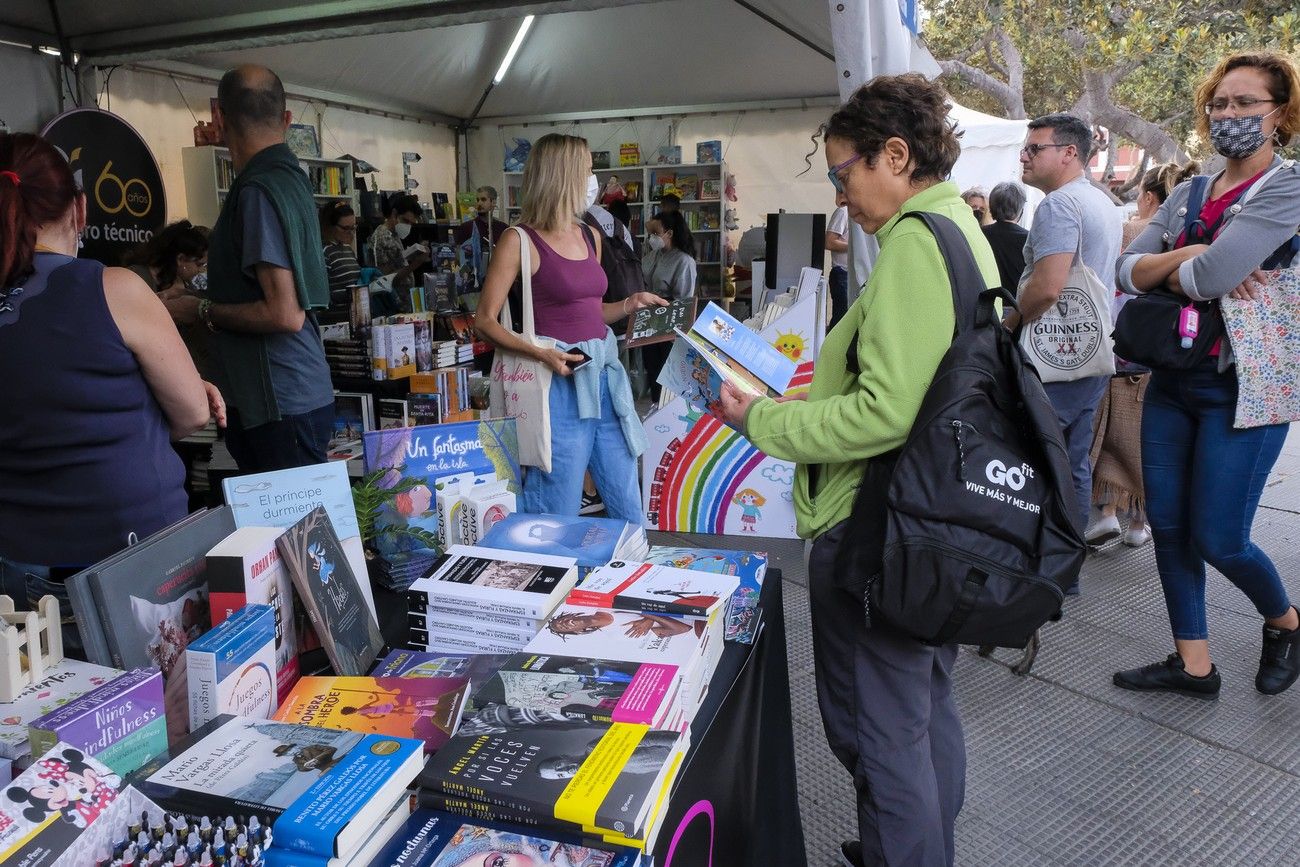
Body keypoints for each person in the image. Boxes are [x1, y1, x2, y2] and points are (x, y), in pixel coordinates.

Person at [718, 74, 999, 867]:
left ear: (896, 155)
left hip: (876, 525)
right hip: (932, 522)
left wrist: (761, 420)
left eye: (844, 174)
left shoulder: (913, 242)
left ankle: (903, 846)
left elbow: (888, 411)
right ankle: (919, 842)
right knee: (921, 710)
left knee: (879, 734)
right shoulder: (960, 229)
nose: (841, 198)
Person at [1112, 52, 1300, 698]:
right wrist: (1193, 253)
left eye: (1245, 104)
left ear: (1280, 114)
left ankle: (1286, 621)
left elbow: (1208, 277)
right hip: (1175, 377)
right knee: (1167, 523)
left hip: (1246, 388)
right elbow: (1122, 271)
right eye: (1220, 104)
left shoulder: (1288, 186)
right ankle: (1194, 664)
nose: (1228, 115)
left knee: (1219, 535)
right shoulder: (1192, 190)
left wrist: (1181, 260)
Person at [0, 132, 217, 647]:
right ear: (78, 208)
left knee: (53, 720)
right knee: (160, 715)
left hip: (18, 565)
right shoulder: (113, 286)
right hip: (132, 558)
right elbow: (190, 413)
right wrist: (159, 395)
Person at [473, 134, 666, 523]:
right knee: (555, 506)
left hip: (605, 379)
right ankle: (555, 579)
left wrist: (630, 304)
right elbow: (484, 320)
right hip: (555, 384)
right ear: (564, 175)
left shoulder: (589, 234)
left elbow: (592, 312)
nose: (594, 179)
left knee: (626, 494)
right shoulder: (519, 240)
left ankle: (629, 575)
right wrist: (540, 352)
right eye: (588, 169)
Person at [176, 65, 336, 474]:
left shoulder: (258, 191)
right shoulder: (291, 179)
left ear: (219, 119)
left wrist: (200, 310)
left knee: (296, 537)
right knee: (297, 535)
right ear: (286, 119)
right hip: (291, 394)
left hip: (279, 401)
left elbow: (284, 313)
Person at [1009, 113, 1123, 588]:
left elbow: (1047, 287)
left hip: (1052, 360)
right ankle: (1064, 572)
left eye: (1035, 148)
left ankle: (1036, 572)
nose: (1024, 155)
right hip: (1089, 355)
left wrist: (1008, 325)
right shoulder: (1101, 203)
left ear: (1069, 153)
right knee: (1072, 463)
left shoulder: (1058, 206)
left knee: (1030, 462)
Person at [1087, 161, 1198, 549]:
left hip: (1122, 346)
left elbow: (1110, 283)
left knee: (1109, 435)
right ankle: (1138, 523)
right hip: (1169, 350)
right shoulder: (1191, 238)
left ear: (1150, 197)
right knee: (1146, 441)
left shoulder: (1132, 233)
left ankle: (1105, 514)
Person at [641, 209, 697, 400]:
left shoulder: (684, 261)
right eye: (650, 234)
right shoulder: (654, 255)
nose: (651, 238)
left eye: (656, 234)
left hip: (669, 322)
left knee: (668, 371)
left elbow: (684, 300)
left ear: (669, 233)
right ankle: (656, 403)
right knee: (652, 369)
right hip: (649, 319)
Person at [367, 193, 428, 308]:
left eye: (411, 223)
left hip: (403, 304)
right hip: (390, 305)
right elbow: (383, 279)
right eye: (405, 220)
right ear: (394, 214)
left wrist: (413, 253)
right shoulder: (381, 237)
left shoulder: (394, 235)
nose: (408, 226)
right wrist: (416, 263)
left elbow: (396, 264)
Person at [980, 181, 1029, 292]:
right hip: (1016, 303)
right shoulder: (1029, 238)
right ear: (1020, 209)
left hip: (986, 301)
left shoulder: (980, 234)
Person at [319, 200, 360, 311]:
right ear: (330, 226)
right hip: (336, 317)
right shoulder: (324, 251)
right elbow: (322, 294)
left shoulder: (347, 248)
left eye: (353, 227)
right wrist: (353, 294)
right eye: (345, 228)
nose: (351, 233)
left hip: (354, 312)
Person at [452, 185, 509, 250]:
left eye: (483, 199)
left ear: (493, 202)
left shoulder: (504, 229)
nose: (479, 203)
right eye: (477, 200)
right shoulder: (465, 228)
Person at [825, 194, 850, 329]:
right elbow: (829, 242)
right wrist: (855, 247)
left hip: (855, 274)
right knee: (841, 319)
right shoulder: (844, 211)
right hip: (842, 273)